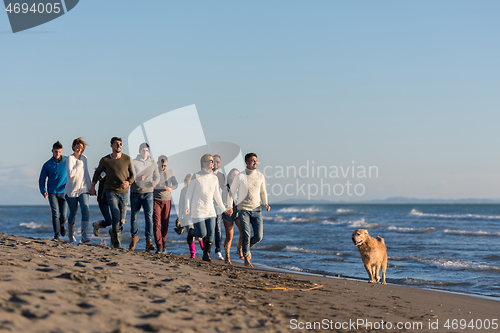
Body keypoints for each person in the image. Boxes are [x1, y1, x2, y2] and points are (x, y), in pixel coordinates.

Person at [90, 137, 134, 248]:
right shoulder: (105, 160)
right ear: (111, 145)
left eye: (120, 144)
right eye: (116, 144)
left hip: (124, 192)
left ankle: (113, 234)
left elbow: (133, 175)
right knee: (115, 214)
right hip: (110, 191)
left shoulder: (127, 159)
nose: (118, 146)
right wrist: (92, 187)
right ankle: (116, 244)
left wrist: (128, 182)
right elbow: (97, 173)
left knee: (121, 220)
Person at [226, 153, 270, 267]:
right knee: (246, 234)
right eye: (252, 160)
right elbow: (231, 193)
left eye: (256, 160)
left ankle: (242, 247)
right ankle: (246, 259)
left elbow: (263, 191)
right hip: (243, 209)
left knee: (258, 236)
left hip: (257, 209)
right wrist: (230, 206)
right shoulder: (240, 176)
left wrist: (265, 203)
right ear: (247, 162)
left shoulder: (260, 176)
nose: (255, 162)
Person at [185, 154, 228, 261]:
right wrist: (187, 206)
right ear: (204, 163)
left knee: (211, 233)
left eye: (213, 161)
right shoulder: (196, 176)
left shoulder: (214, 178)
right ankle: (191, 233)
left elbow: (217, 196)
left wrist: (224, 209)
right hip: (198, 209)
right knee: (201, 233)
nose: (213, 162)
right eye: (211, 161)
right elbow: (189, 193)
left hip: (210, 210)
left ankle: (206, 254)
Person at [129, 143, 160, 252]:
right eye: (143, 150)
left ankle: (149, 241)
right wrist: (137, 178)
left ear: (148, 151)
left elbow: (157, 176)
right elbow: (129, 176)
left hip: (148, 193)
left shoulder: (153, 163)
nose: (145, 152)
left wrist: (155, 182)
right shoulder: (133, 162)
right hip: (135, 192)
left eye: (146, 150)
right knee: (134, 217)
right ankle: (134, 237)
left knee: (149, 217)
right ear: (139, 151)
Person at [39, 141, 68, 240]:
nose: (58, 154)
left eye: (59, 152)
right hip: (52, 193)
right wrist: (44, 191)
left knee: (63, 215)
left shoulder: (67, 161)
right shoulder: (47, 164)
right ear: (52, 151)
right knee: (55, 214)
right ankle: (56, 235)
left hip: (64, 192)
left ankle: (62, 225)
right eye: (56, 152)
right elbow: (41, 179)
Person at [65, 137, 92, 244]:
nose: (79, 150)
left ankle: (84, 236)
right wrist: (79, 164)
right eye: (77, 147)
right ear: (73, 147)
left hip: (83, 189)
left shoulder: (84, 158)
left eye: (81, 148)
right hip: (71, 190)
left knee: (85, 210)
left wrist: (91, 188)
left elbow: (86, 174)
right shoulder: (69, 158)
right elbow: (70, 174)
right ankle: (71, 235)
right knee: (73, 213)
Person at [152, 155, 177, 254]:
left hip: (167, 199)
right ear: (158, 163)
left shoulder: (170, 172)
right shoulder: (154, 172)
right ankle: (159, 246)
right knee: (156, 223)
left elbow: (176, 184)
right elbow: (150, 183)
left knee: (165, 224)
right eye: (161, 165)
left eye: (164, 165)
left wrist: (170, 188)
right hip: (156, 199)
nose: (162, 167)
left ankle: (163, 243)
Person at [178, 173, 203, 258]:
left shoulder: (197, 190)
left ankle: (203, 248)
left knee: (199, 234)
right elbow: (181, 204)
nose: (189, 184)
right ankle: (192, 252)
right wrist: (179, 216)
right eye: (187, 182)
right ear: (185, 182)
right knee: (190, 233)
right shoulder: (183, 191)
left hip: (197, 215)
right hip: (187, 216)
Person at [222, 168, 243, 264]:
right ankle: (227, 257)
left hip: (238, 212)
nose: (236, 176)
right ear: (230, 176)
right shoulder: (226, 188)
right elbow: (224, 200)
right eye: (234, 174)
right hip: (228, 212)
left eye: (238, 174)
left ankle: (239, 249)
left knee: (243, 232)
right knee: (230, 236)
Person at [212, 154, 225, 260]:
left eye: (218, 161)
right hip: (205, 205)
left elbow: (224, 190)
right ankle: (205, 250)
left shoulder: (221, 176)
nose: (216, 163)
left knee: (218, 229)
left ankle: (218, 251)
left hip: (216, 205)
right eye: (214, 161)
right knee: (207, 229)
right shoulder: (205, 174)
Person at [92, 172, 112, 237]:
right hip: (102, 198)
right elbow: (97, 176)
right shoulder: (103, 168)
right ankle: (97, 225)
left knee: (117, 222)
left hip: (114, 198)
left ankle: (115, 242)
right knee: (109, 221)